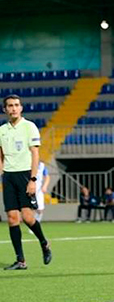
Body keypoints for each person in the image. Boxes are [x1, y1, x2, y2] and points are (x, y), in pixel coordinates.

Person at [0, 95, 52, 270]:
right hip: (9, 176)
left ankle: (44, 243)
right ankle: (20, 260)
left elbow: (35, 154)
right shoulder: (2, 130)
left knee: (28, 217)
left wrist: (33, 179)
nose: (13, 108)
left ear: (21, 108)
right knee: (12, 218)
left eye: (16, 105)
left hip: (25, 176)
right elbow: (1, 154)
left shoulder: (30, 127)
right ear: (5, 109)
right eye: (10, 106)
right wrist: (2, 173)